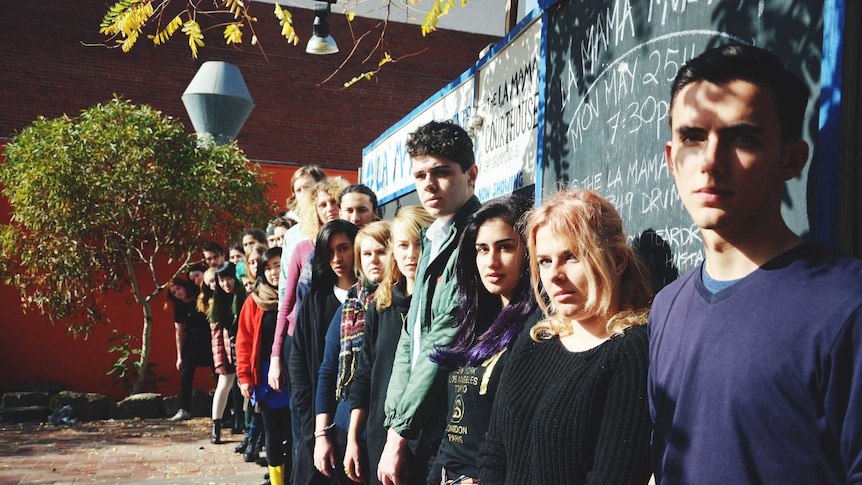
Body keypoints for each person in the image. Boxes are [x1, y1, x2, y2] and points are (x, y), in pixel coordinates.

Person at [649, 43, 862, 484]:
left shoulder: (847, 306)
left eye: (742, 137)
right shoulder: (666, 308)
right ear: (671, 160)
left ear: (791, 159)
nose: (710, 162)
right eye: (692, 137)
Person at [477, 189, 654, 484]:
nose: (554, 275)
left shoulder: (630, 352)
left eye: (571, 257)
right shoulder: (535, 340)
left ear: (618, 261)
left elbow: (613, 477)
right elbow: (494, 451)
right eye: (544, 261)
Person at [379, 120, 481, 485]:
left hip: (454, 420)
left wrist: (398, 433)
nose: (428, 184)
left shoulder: (476, 237)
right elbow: (411, 338)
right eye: (420, 175)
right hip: (420, 419)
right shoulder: (432, 237)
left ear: (471, 174)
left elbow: (443, 339)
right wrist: (397, 423)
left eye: (440, 172)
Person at [428, 196, 539, 485]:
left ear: (529, 252)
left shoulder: (536, 327)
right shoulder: (474, 322)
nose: (491, 261)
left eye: (505, 247)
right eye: (482, 249)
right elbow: (453, 421)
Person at [347, 206, 434, 485]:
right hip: (379, 437)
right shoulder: (380, 305)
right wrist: (352, 439)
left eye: (419, 243)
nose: (411, 254)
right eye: (403, 245)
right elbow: (364, 377)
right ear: (393, 249)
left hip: (427, 442)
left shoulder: (443, 306)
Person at [315, 221, 391, 484]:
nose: (373, 260)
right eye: (366, 254)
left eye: (381, 251)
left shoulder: (402, 304)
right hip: (346, 428)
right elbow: (327, 372)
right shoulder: (350, 307)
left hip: (386, 431)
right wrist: (321, 435)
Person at [290, 219, 360, 485]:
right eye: (329, 251)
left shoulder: (374, 297)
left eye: (343, 248)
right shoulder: (316, 299)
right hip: (317, 419)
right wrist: (313, 425)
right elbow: (298, 361)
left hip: (355, 421)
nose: (337, 258)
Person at [236, 247, 293, 485]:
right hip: (264, 377)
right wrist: (244, 377)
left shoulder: (296, 294)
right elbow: (243, 341)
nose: (272, 272)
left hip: (293, 375)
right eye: (267, 268)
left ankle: (293, 477)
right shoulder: (254, 300)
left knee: (293, 433)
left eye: (278, 265)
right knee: (272, 432)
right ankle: (278, 481)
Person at [209, 261, 247, 444]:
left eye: (229, 279)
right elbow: (215, 335)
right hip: (227, 350)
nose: (226, 284)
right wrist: (219, 361)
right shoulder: (217, 301)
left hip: (243, 349)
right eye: (222, 280)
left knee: (246, 389)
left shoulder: (244, 297)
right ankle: (216, 427)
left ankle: (249, 430)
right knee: (223, 386)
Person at [166, 275, 214, 422]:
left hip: (209, 341)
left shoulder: (200, 299)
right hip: (191, 343)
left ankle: (227, 409)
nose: (178, 293)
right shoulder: (179, 309)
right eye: (174, 292)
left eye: (178, 289)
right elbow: (178, 332)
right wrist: (179, 356)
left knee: (219, 373)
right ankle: (185, 409)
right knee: (186, 376)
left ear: (184, 286)